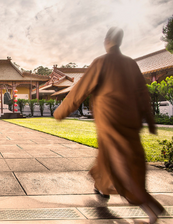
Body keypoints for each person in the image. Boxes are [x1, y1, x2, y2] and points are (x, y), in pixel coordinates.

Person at [53, 27, 165, 224]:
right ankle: (101, 186)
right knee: (115, 160)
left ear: (107, 41)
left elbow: (80, 90)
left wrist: (61, 111)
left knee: (122, 165)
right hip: (131, 122)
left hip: (111, 122)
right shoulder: (131, 64)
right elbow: (143, 94)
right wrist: (151, 120)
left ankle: (148, 205)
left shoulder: (101, 62)